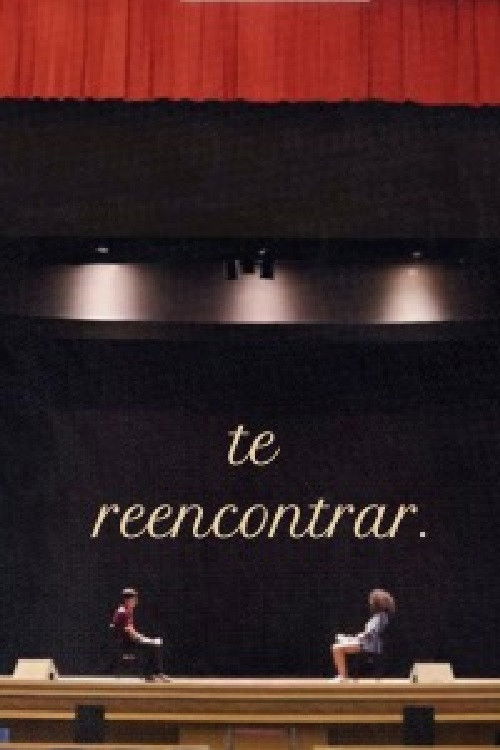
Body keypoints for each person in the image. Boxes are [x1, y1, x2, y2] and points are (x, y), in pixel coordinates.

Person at [330, 588, 395, 680]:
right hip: (368, 644)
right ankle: (343, 676)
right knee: (340, 643)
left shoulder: (380, 617)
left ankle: (343, 677)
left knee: (336, 648)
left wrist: (352, 638)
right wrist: (350, 638)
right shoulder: (381, 617)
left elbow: (369, 634)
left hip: (369, 646)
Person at [110, 587, 169, 682]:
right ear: (127, 600)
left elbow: (130, 630)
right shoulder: (123, 612)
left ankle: (153, 674)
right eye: (134, 599)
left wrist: (144, 638)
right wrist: (146, 639)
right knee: (153, 646)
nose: (136, 601)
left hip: (128, 640)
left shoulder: (127, 610)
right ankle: (154, 674)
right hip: (126, 643)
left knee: (154, 644)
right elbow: (129, 632)